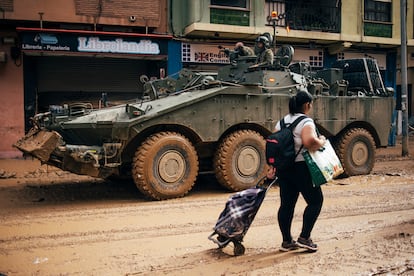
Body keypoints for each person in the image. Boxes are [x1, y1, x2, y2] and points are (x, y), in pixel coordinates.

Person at [269, 90, 326, 252]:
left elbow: (274, 145)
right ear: (307, 105)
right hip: (302, 168)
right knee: (315, 201)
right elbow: (309, 142)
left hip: (285, 169)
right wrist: (321, 141)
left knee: (286, 205)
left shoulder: (281, 122)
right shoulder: (306, 122)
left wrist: (273, 166)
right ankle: (305, 237)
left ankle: (287, 241)